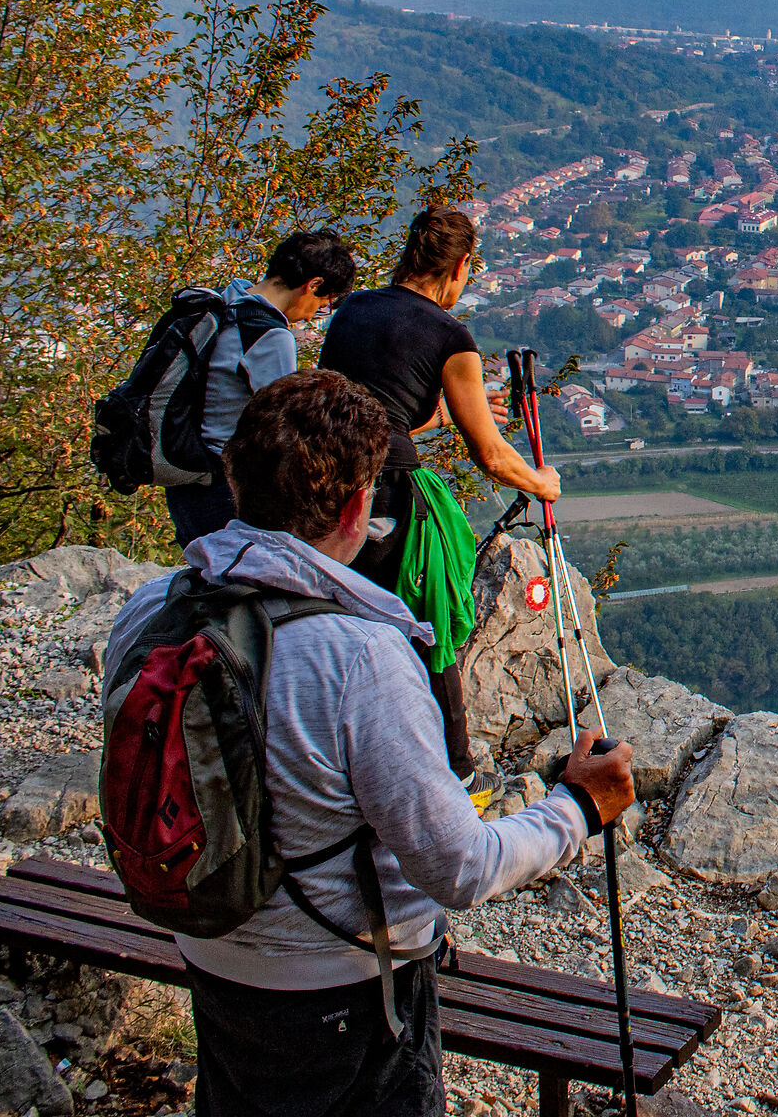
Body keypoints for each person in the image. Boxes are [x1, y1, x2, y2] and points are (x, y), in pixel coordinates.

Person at [104, 369, 636, 1117]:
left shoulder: (153, 610)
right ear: (359, 506)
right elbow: (460, 867)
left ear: (233, 478)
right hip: (342, 987)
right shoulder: (358, 657)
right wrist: (579, 807)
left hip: (209, 949)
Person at [319, 208, 560, 782]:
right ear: (459, 266)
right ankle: (456, 773)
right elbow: (491, 455)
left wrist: (447, 416)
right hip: (387, 494)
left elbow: (373, 408)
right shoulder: (451, 336)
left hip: (322, 481)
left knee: (340, 619)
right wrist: (542, 482)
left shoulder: (353, 309)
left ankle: (344, 755)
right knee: (428, 625)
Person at [164, 230, 358, 546]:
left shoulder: (224, 302)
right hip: (223, 486)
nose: (313, 315)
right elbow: (286, 425)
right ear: (313, 285)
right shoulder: (270, 335)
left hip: (185, 475)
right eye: (322, 304)